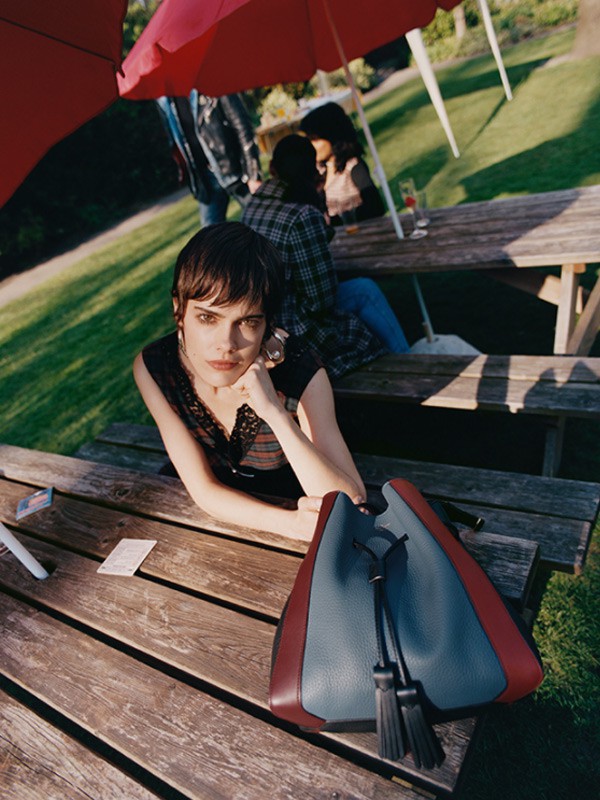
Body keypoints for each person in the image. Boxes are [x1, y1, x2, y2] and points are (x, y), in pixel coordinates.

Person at [133, 222, 366, 542]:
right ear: (178, 310)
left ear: (267, 323)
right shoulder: (155, 368)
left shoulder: (301, 372)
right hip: (222, 522)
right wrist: (290, 524)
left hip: (289, 500)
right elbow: (202, 488)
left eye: (247, 322)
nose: (226, 343)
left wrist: (275, 413)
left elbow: (350, 504)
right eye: (207, 318)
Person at [242, 134, 409, 378]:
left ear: (272, 168)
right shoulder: (301, 215)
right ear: (313, 172)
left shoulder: (254, 204)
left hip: (265, 318)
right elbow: (321, 301)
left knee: (361, 289)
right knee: (364, 290)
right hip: (294, 328)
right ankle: (407, 358)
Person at [156, 91, 262, 226]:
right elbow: (175, 141)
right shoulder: (164, 100)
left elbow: (242, 124)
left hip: (236, 170)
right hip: (205, 179)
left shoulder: (209, 83)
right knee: (208, 237)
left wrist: (253, 173)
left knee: (262, 225)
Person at [299, 101, 385, 225]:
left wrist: (348, 216)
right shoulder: (319, 169)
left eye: (315, 139)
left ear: (332, 136)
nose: (310, 145)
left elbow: (376, 209)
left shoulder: (354, 168)